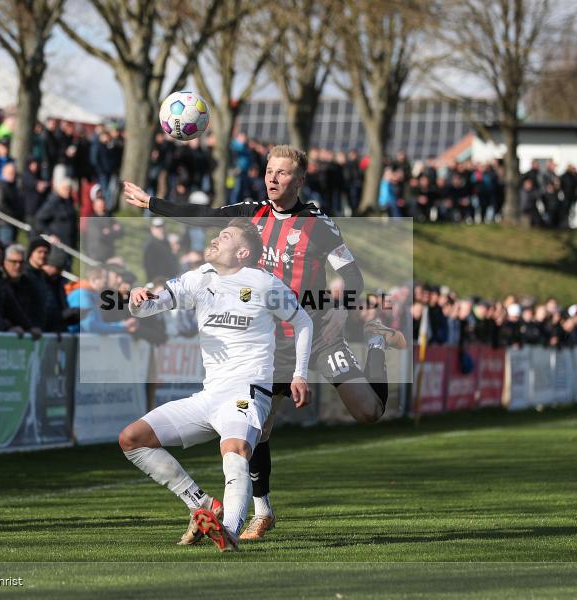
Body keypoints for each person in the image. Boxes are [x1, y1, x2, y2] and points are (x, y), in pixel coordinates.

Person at [124, 144, 406, 541]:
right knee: (258, 429)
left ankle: (375, 345)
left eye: (283, 173)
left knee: (368, 412)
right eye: (269, 171)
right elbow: (205, 216)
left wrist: (340, 309)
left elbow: (352, 274)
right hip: (272, 341)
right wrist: (152, 202)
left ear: (299, 180)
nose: (272, 179)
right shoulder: (252, 213)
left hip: (319, 334)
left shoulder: (319, 225)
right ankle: (263, 510)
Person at [118, 218, 314, 552]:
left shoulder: (264, 283)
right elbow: (153, 305)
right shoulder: (199, 278)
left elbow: (303, 321)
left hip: (247, 392)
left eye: (225, 236)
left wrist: (300, 374)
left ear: (243, 251)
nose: (215, 239)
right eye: (217, 234)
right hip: (209, 395)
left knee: (234, 451)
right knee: (132, 439)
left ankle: (229, 531)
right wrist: (137, 299)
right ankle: (202, 504)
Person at [3, 243, 44, 337]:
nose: (18, 266)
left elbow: (36, 312)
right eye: (13, 262)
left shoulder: (29, 285)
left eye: (21, 262)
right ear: (5, 262)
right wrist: (8, 326)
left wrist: (33, 327)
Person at [83, 184, 122, 262]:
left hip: (108, 253)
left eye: (102, 205)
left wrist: (109, 231)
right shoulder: (92, 219)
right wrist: (112, 230)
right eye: (99, 206)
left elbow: (120, 231)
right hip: (96, 255)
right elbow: (100, 235)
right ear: (94, 206)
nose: (102, 207)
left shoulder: (109, 216)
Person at [0, 161, 22, 244]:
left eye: (14, 173)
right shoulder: (0, 185)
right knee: (6, 246)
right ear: (4, 172)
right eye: (10, 173)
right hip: (4, 222)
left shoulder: (13, 186)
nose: (13, 175)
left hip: (13, 222)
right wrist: (13, 214)